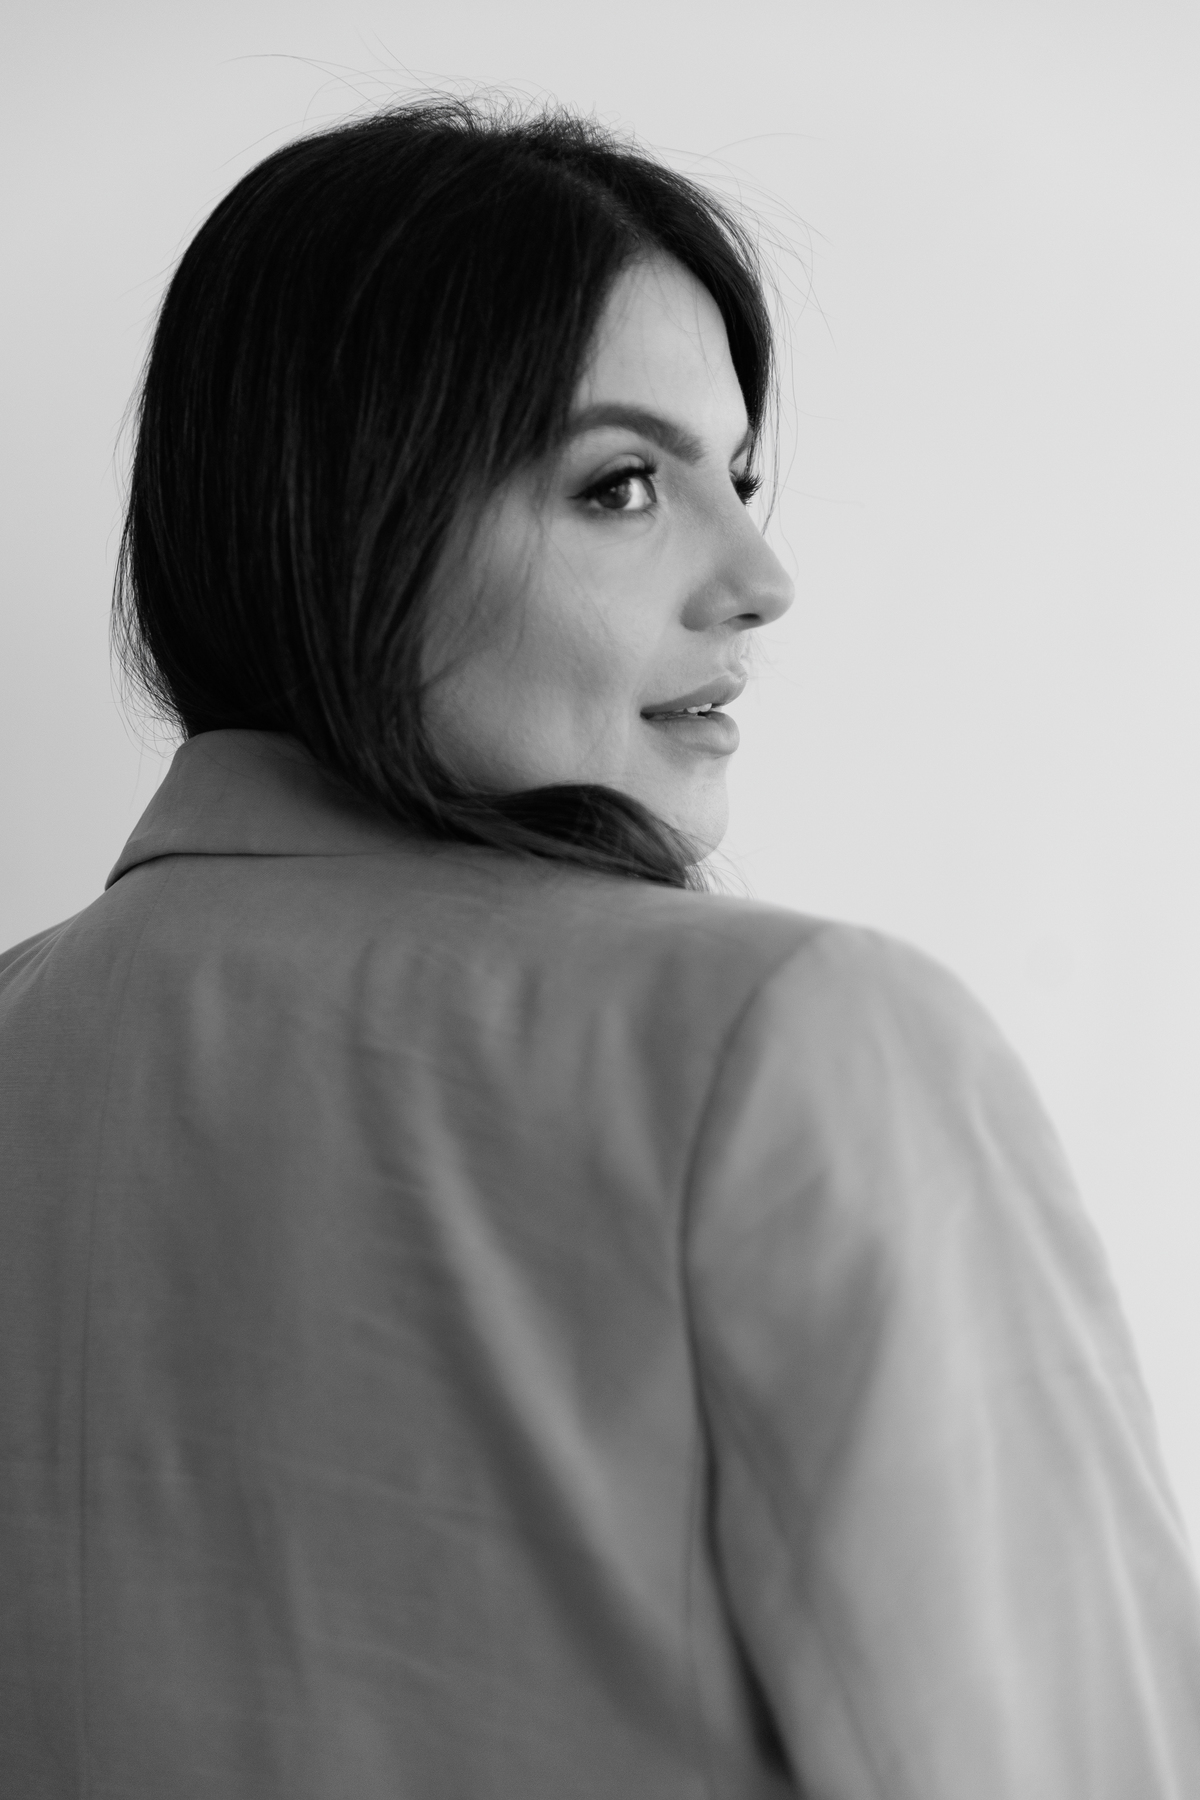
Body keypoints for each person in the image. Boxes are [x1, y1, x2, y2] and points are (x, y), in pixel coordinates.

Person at [1, 95, 1197, 1800]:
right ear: (350, 509)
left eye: (739, 479)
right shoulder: (796, 1038)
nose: (761, 577)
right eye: (623, 484)